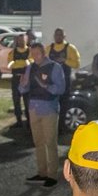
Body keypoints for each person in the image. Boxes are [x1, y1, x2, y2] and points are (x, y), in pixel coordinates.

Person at [19, 42, 65, 188]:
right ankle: (42, 173)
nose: (34, 57)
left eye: (37, 54)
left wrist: (46, 86)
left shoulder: (55, 67)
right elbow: (23, 89)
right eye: (32, 54)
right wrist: (23, 84)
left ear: (44, 53)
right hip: (33, 108)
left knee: (50, 142)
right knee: (38, 142)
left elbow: (61, 88)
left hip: (49, 109)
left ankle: (52, 176)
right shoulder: (30, 67)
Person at [48, 28, 81, 110]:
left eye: (60, 35)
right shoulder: (48, 48)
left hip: (65, 81)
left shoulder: (70, 48)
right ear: (54, 36)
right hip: (52, 81)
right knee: (51, 105)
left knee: (64, 105)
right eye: (57, 35)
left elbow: (77, 64)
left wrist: (65, 60)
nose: (58, 37)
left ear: (64, 36)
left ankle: (62, 118)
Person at [9, 33, 32, 127]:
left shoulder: (30, 50)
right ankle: (18, 121)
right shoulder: (13, 52)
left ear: (26, 40)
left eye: (23, 40)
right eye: (19, 40)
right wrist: (23, 62)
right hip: (16, 79)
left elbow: (30, 63)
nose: (21, 42)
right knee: (16, 100)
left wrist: (17, 62)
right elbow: (10, 64)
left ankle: (29, 121)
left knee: (27, 101)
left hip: (26, 79)